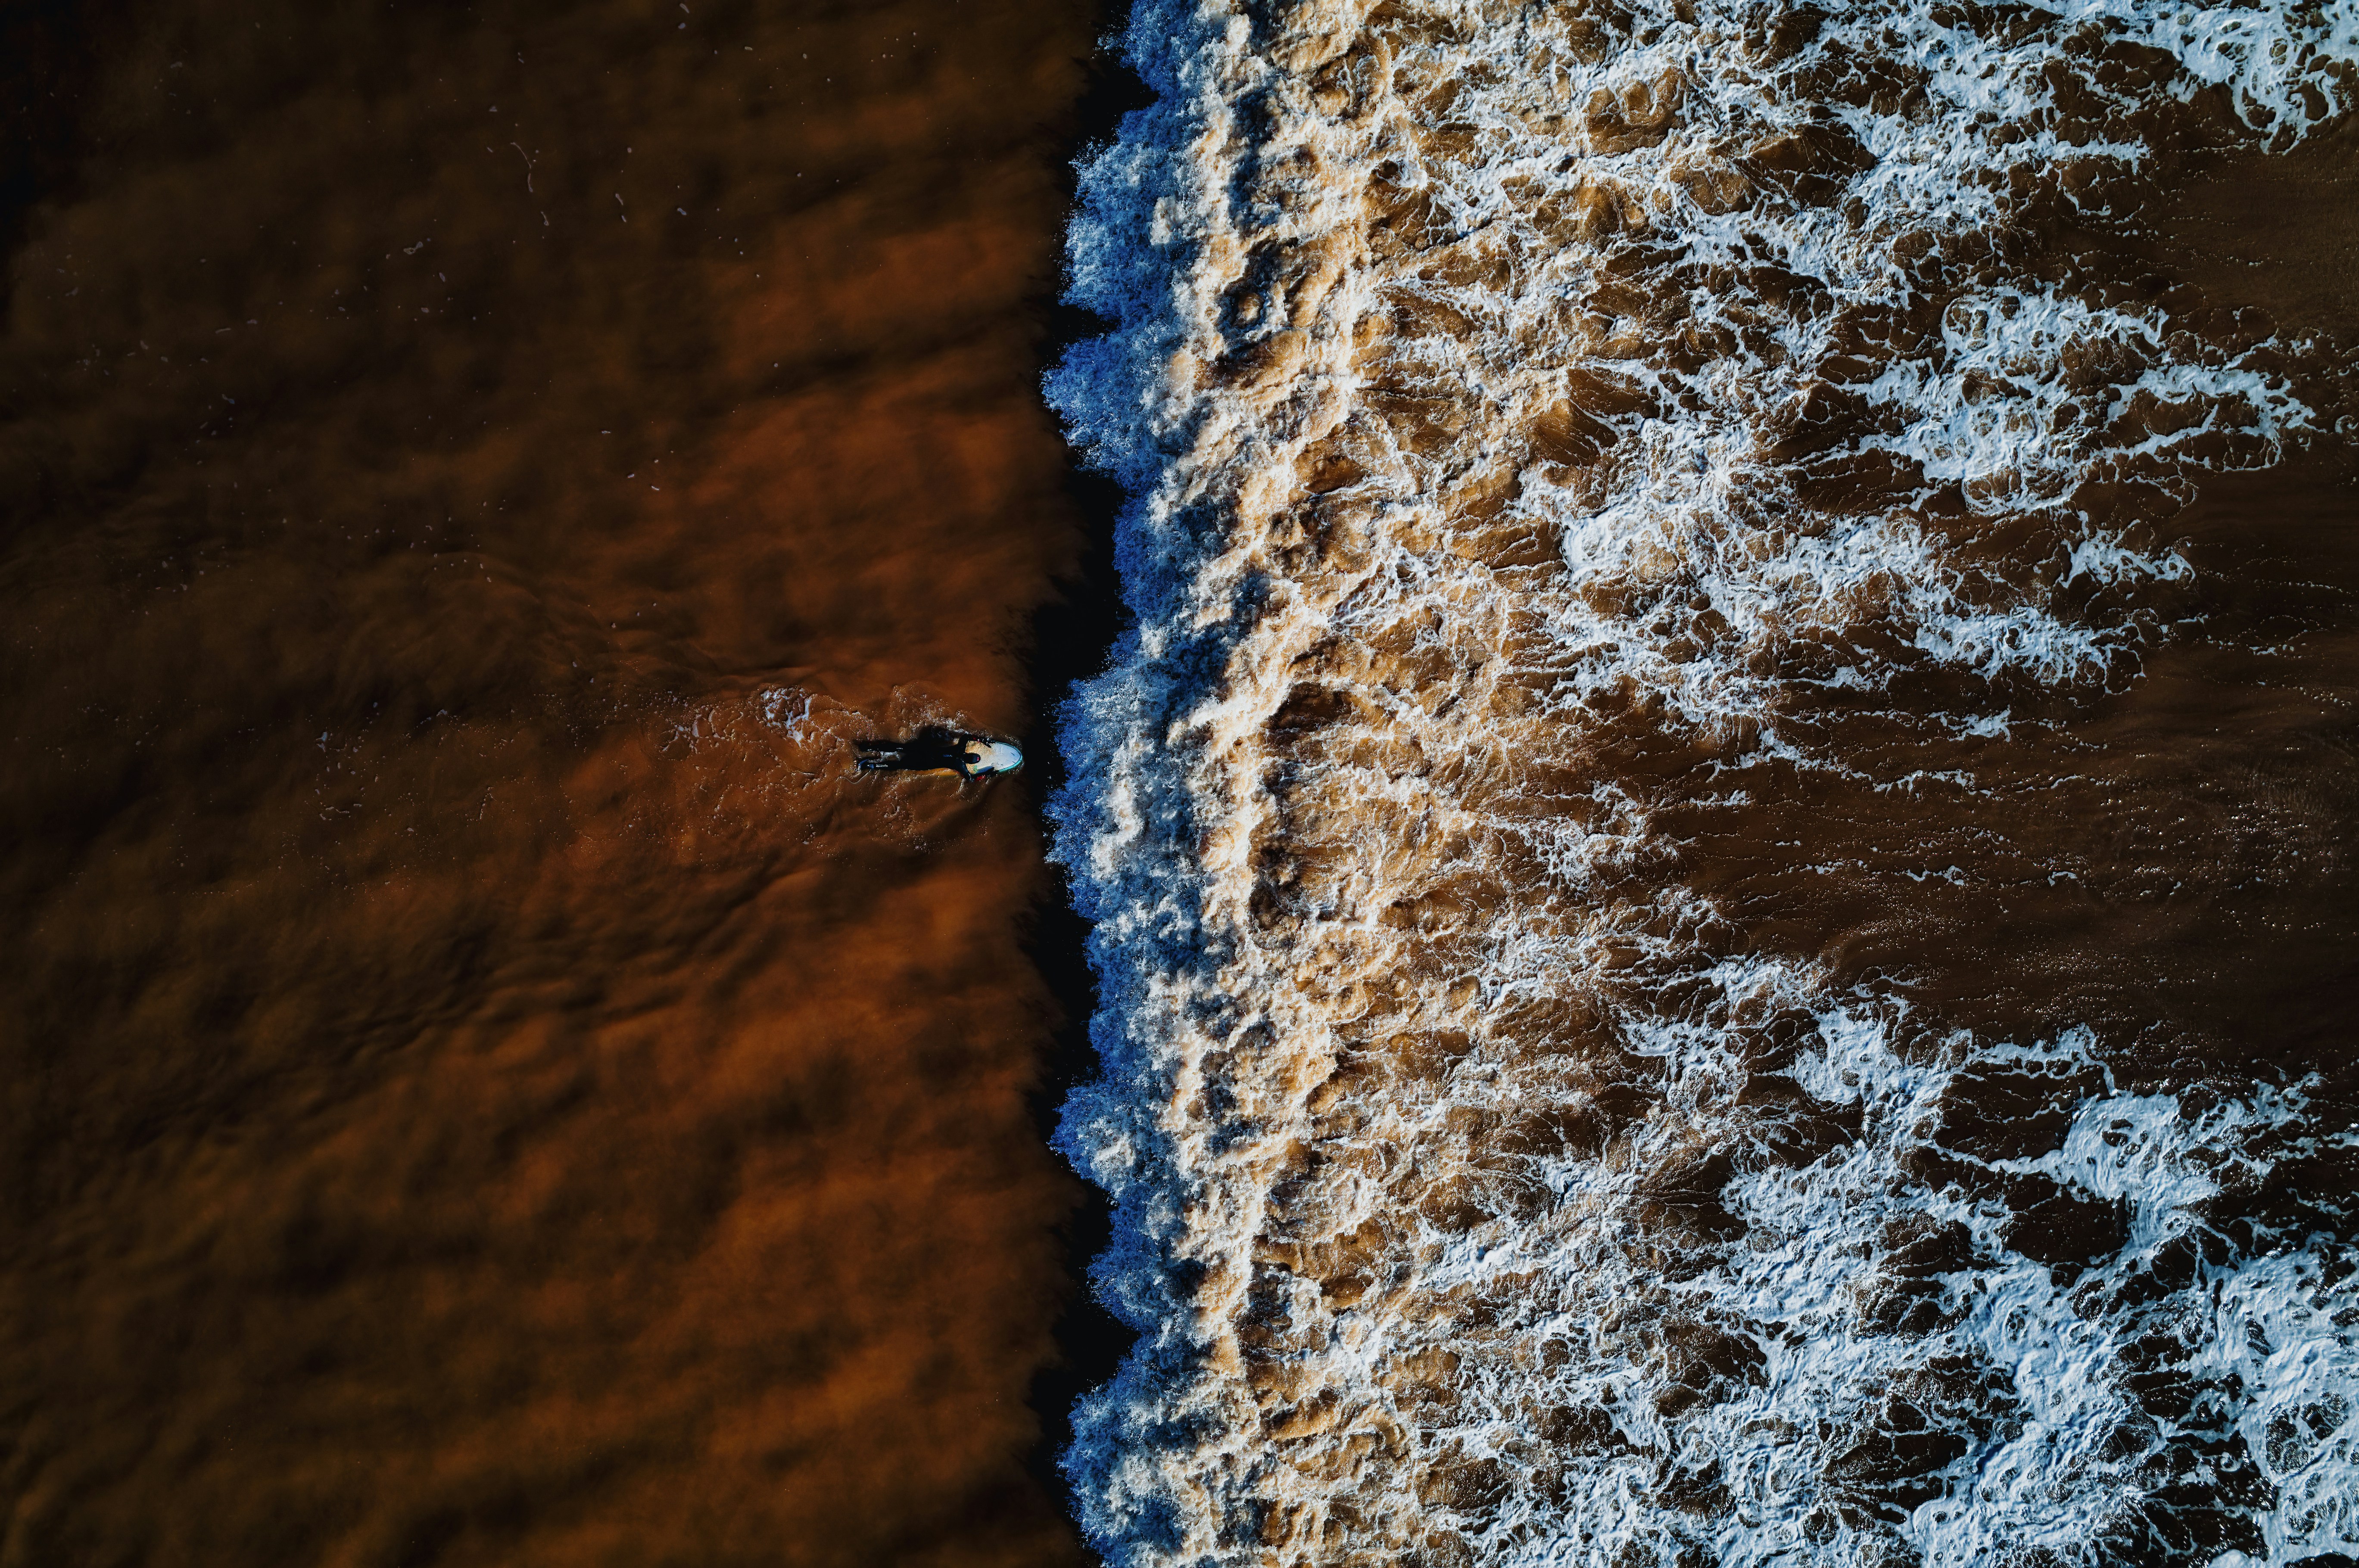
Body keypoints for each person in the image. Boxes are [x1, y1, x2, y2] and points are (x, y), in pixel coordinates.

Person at [854, 727, 1024, 778]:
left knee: (901, 748)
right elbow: (972, 780)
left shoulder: (961, 748)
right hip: (926, 763)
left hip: (927, 750)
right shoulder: (962, 768)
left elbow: (966, 736)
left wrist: (983, 741)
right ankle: (870, 765)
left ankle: (868, 748)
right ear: (970, 763)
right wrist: (990, 774)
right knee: (900, 764)